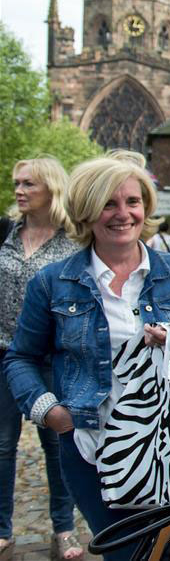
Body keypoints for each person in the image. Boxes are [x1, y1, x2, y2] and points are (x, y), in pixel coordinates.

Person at [3, 150, 170, 561]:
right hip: (92, 449)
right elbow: (20, 358)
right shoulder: (54, 282)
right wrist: (51, 413)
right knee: (126, 553)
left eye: (132, 202)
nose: (122, 214)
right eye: (107, 203)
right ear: (87, 211)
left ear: (145, 206)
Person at [0, 158, 82, 561]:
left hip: (55, 357)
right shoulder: (6, 233)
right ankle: (1, 529)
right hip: (3, 353)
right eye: (17, 183)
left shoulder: (74, 242)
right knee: (1, 445)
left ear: (51, 188)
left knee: (57, 443)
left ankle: (64, 530)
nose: (19, 190)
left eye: (28, 183)